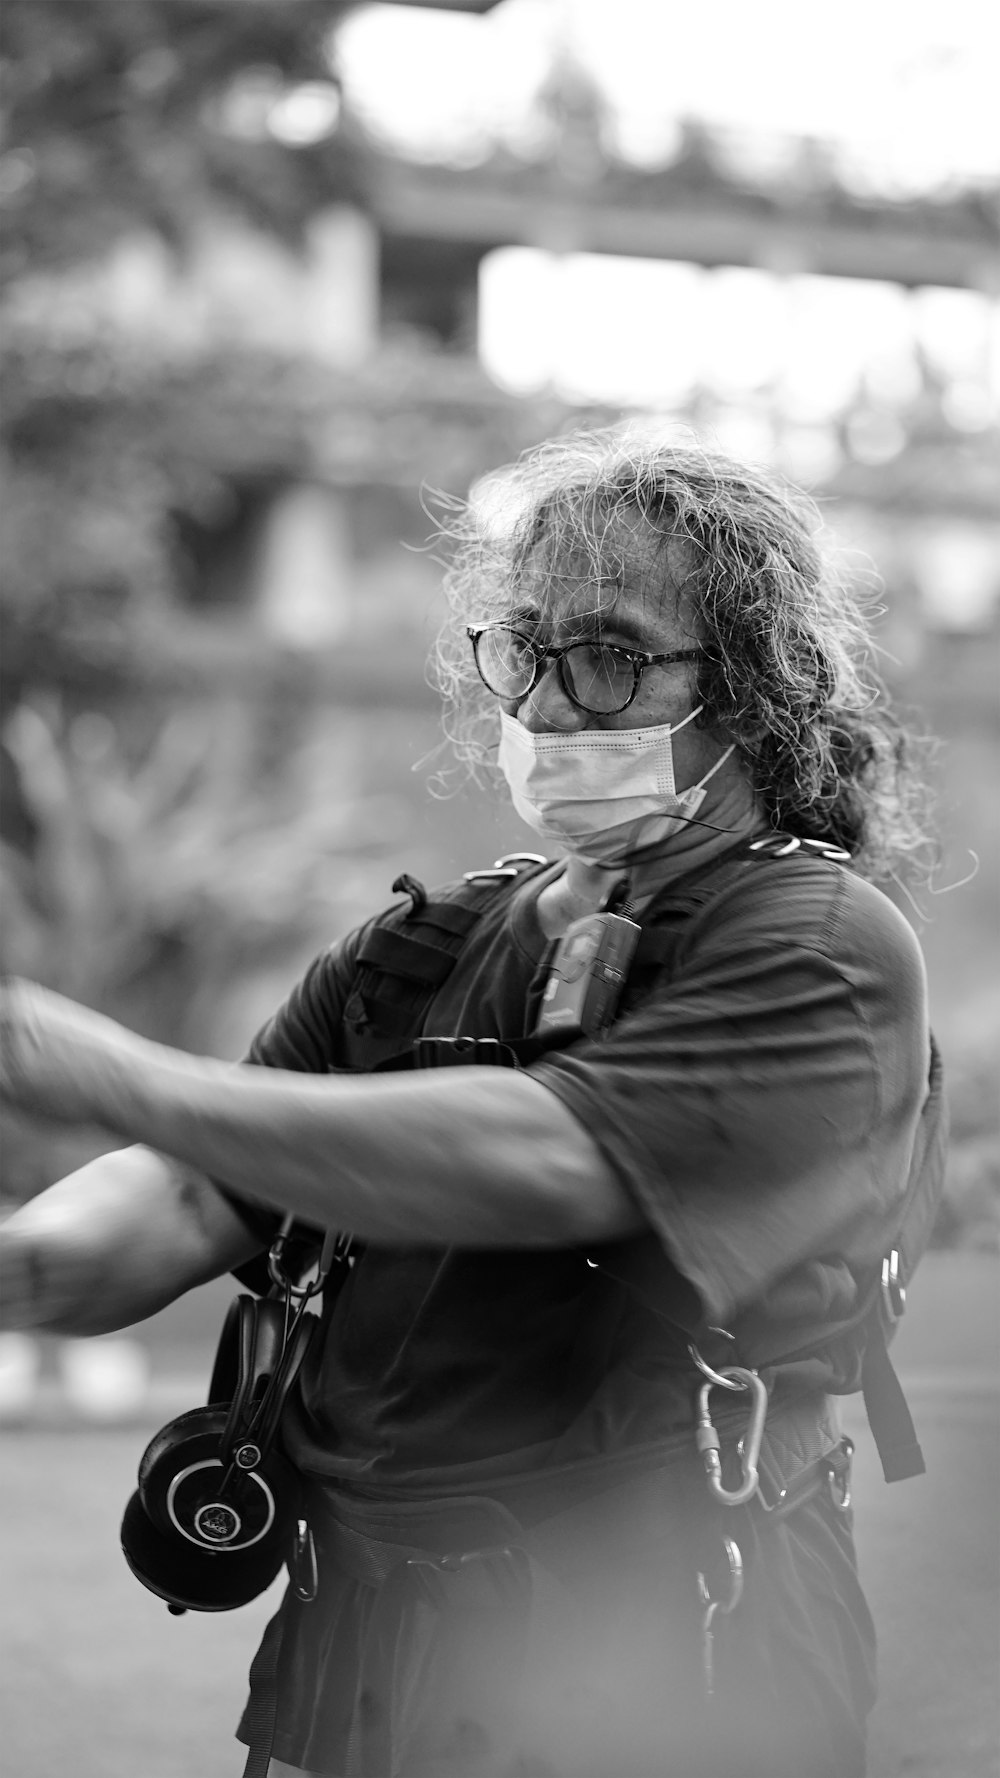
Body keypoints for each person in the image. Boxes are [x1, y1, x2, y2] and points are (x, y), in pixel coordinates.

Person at [0, 428, 942, 1778]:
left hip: (671, 1649)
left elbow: (553, 1158)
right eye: (524, 646)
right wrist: (23, 1264)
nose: (551, 703)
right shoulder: (423, 949)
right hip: (368, 1640)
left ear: (746, 686)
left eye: (611, 652)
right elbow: (191, 1192)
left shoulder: (819, 940)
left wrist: (112, 1069)